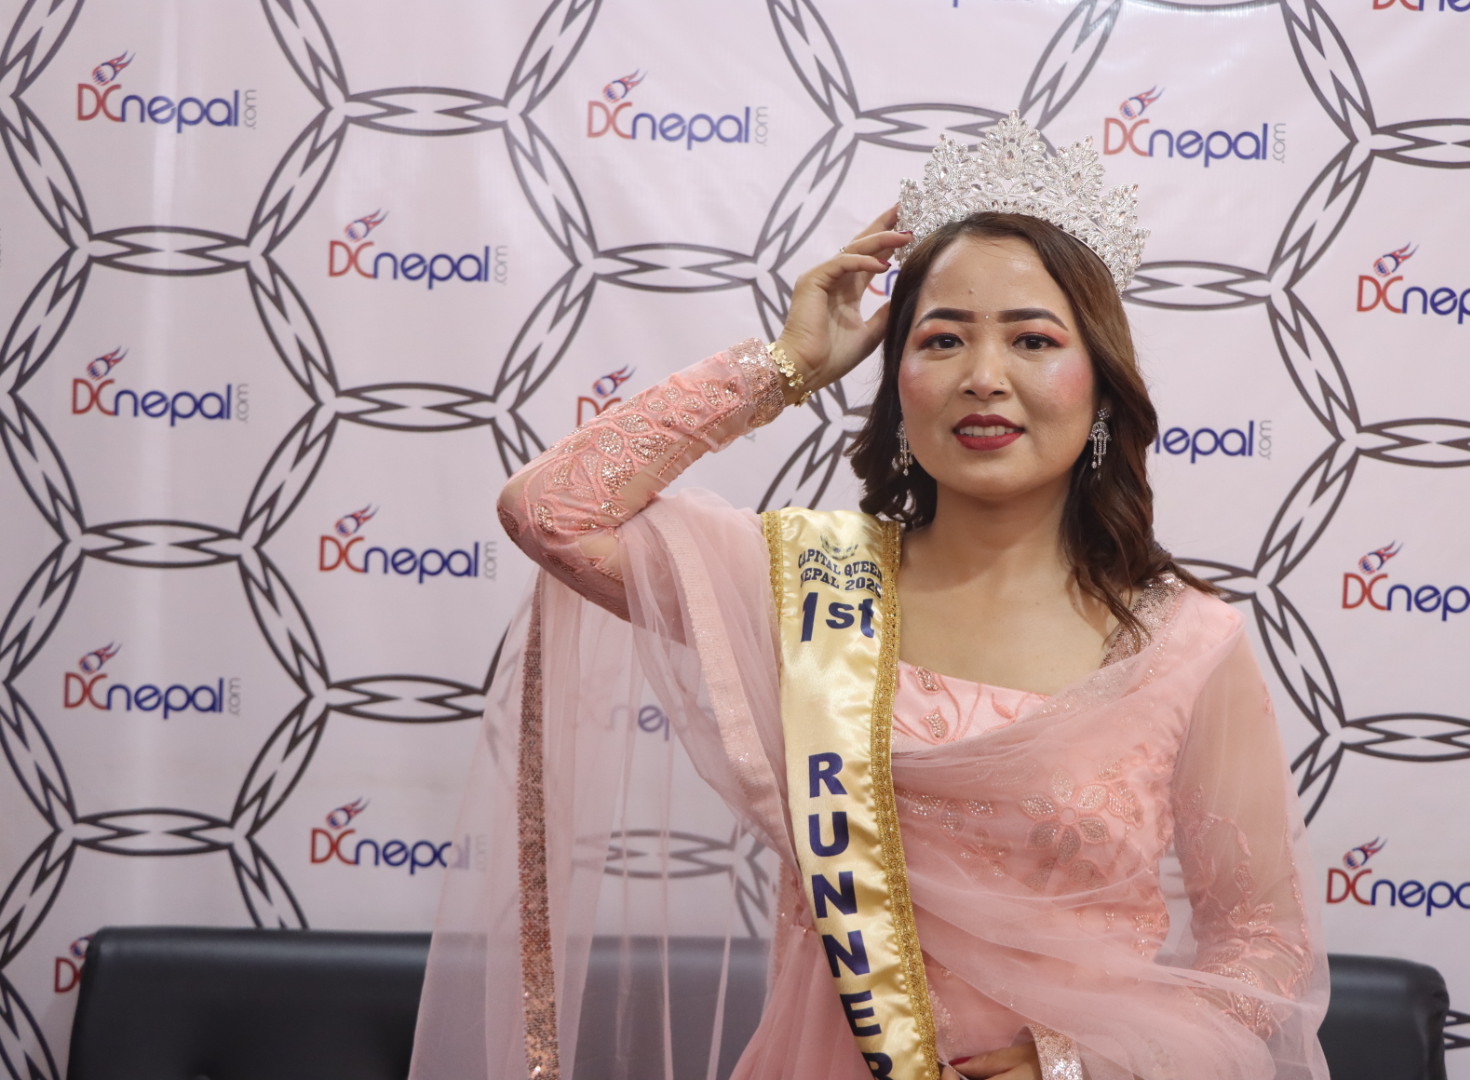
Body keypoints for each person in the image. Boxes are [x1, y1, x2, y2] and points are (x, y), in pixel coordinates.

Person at [409, 113, 1330, 1080]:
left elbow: (1263, 946)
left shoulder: (1183, 644)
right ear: (897, 384)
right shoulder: (805, 586)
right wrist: (785, 368)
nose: (984, 378)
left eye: (1032, 339)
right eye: (942, 340)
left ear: (1101, 388)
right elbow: (551, 511)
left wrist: (1073, 1064)